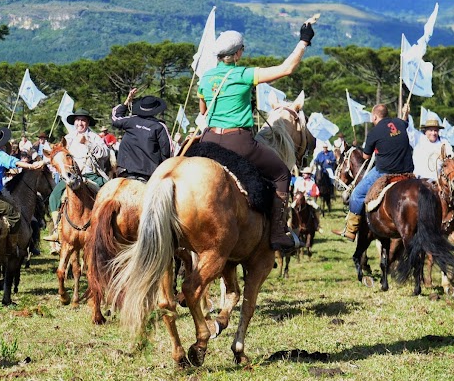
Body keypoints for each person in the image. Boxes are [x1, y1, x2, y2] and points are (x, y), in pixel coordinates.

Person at [196, 22, 314, 253]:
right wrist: (304, 41)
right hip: (237, 142)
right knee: (281, 173)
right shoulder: (243, 74)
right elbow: (287, 68)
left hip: (208, 141)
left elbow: (203, 111)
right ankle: (278, 232)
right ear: (238, 52)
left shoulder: (205, 78)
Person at [334, 104, 414, 240]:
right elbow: (405, 122)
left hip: (385, 172)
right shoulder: (399, 123)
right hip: (407, 171)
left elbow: (365, 156)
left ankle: (351, 230)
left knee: (357, 195)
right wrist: (405, 113)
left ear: (375, 116)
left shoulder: (374, 132)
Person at [0, 127, 45, 251]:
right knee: (14, 215)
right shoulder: (0, 156)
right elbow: (17, 163)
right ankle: (12, 246)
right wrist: (31, 166)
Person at [44, 108, 109, 243]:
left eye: (83, 120)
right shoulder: (67, 139)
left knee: (108, 195)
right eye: (78, 120)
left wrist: (88, 143)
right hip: (71, 176)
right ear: (74, 122)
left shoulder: (95, 137)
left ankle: (105, 228)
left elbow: (105, 154)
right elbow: (58, 155)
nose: (80, 123)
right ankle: (57, 229)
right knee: (54, 197)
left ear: (87, 122)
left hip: (91, 174)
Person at [111, 88, 172, 180]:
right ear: (156, 110)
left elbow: (115, 117)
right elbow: (167, 152)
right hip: (148, 173)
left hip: (124, 170)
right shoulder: (159, 127)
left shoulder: (131, 120)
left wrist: (127, 101)